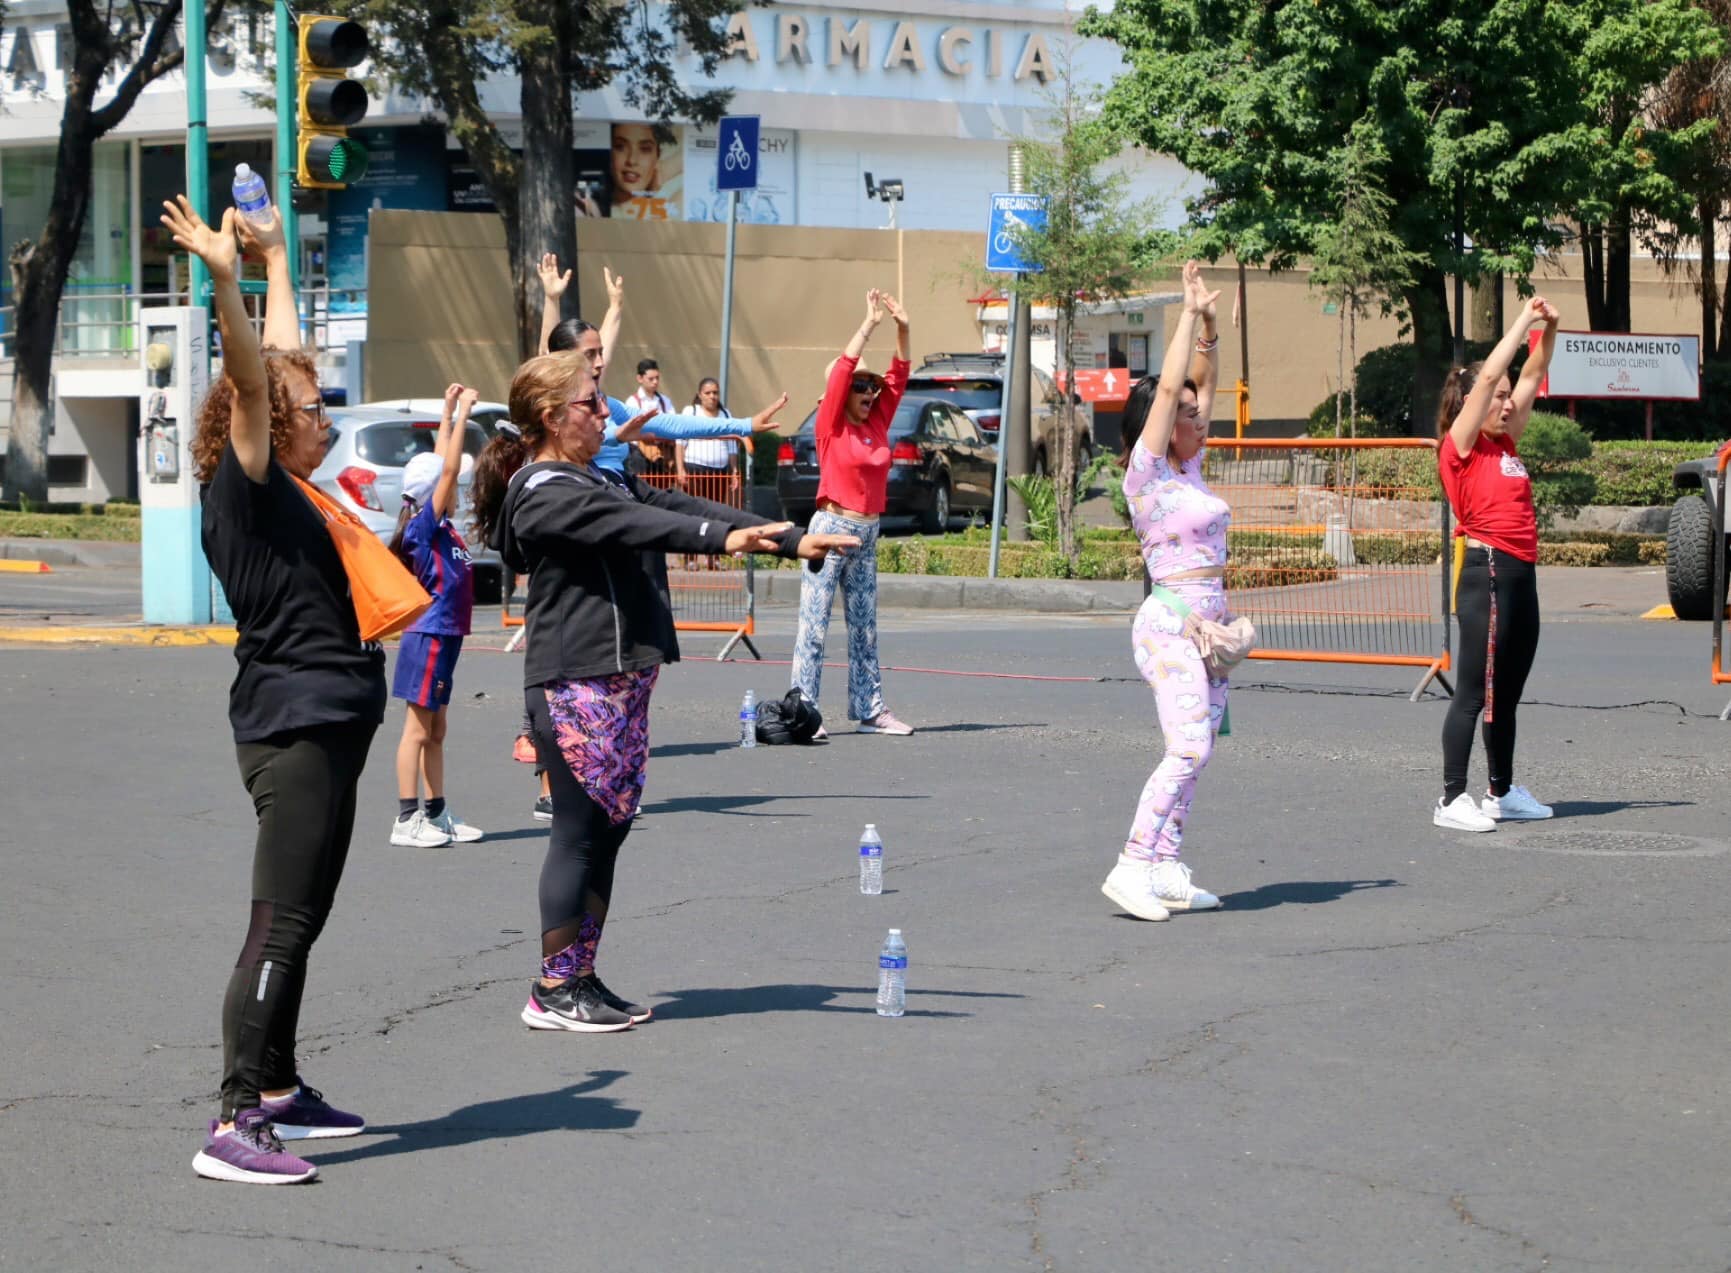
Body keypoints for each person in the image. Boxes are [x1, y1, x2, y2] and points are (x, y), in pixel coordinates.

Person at [470, 351, 857, 1031]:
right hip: (574, 684)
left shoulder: (591, 475)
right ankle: (554, 989)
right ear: (554, 418)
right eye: (593, 402)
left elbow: (669, 502)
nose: (605, 412)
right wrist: (723, 539)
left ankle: (580, 976)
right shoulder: (543, 490)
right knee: (578, 834)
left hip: (617, 681)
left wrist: (782, 537)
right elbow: (637, 526)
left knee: (608, 831)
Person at [165, 195, 379, 1184]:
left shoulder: (287, 481)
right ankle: (233, 1119)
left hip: (329, 718)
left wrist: (279, 263)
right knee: (278, 922)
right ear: (265, 424)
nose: (326, 414)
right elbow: (259, 377)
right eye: (315, 408)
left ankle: (283, 1088)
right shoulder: (245, 480)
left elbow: (282, 358)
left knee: (309, 917)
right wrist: (223, 279)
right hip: (291, 727)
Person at [1101, 260, 1229, 923]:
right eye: (1184, 413)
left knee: (1199, 748)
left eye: (1194, 412)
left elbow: (1200, 380)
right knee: (1187, 748)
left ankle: (1166, 864)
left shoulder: (1190, 466)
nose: (1197, 417)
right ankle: (1131, 863)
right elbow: (1174, 390)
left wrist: (1207, 326)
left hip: (1211, 629)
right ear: (1156, 424)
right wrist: (1180, 317)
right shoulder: (1146, 474)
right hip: (1170, 623)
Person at [1432, 296, 1561, 832]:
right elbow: (1490, 378)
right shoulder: (1459, 447)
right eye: (1497, 397)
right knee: (1473, 692)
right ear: (1470, 403)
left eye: (1509, 399)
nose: (1507, 404)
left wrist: (1548, 330)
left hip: (1520, 574)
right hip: (1485, 571)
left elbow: (1533, 372)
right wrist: (1521, 322)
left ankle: (1500, 792)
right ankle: (1450, 798)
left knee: (1505, 693)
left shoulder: (1504, 442)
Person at [791, 288, 915, 738]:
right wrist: (869, 325)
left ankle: (869, 710)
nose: (868, 391)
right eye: (860, 387)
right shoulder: (830, 424)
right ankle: (804, 714)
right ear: (841, 394)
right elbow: (842, 371)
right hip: (830, 528)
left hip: (867, 530)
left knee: (864, 629)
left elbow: (899, 374)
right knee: (815, 625)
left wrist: (903, 327)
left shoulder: (877, 422)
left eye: (871, 386)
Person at [388, 382, 483, 848]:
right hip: (427, 637)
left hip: (447, 637)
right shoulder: (424, 528)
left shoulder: (438, 525)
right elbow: (444, 469)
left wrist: (445, 412)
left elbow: (440, 463)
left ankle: (437, 811)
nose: (458, 486)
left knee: (437, 728)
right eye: (451, 484)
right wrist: (466, 412)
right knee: (417, 729)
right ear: (434, 495)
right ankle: (407, 820)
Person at [677, 377, 745, 502]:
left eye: (715, 392)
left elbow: (732, 447)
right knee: (695, 507)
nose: (712, 396)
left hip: (719, 472)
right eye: (707, 393)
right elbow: (680, 443)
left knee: (716, 509)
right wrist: (680, 469)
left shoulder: (725, 414)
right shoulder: (691, 412)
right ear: (700, 395)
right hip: (694, 469)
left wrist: (734, 471)